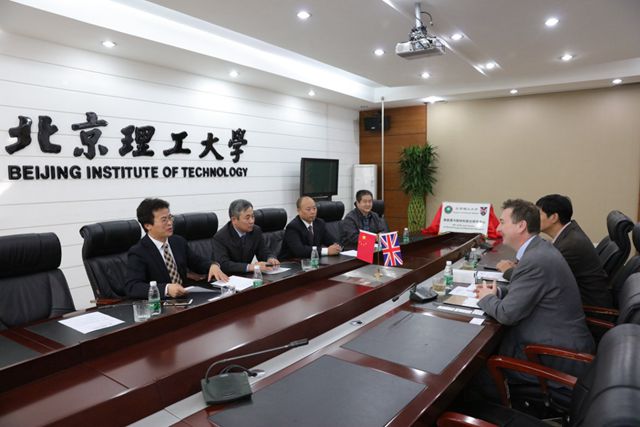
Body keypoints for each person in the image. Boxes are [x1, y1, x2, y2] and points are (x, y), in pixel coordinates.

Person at [475, 199, 594, 382]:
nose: (498, 228)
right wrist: (498, 293)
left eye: (503, 222)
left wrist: (486, 298)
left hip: (554, 357)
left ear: (521, 226)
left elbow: (507, 314)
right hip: (555, 341)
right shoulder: (539, 248)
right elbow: (526, 291)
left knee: (476, 374)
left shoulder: (535, 259)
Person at [497, 194, 612, 308]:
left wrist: (509, 271)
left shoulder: (570, 245)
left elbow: (536, 280)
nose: (534, 218)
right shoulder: (569, 235)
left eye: (538, 214)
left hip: (590, 308)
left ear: (554, 217)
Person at [125, 198, 227, 299]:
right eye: (164, 220)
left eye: (170, 218)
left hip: (186, 297)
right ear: (148, 225)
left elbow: (197, 262)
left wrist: (212, 265)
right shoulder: (139, 252)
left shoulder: (177, 241)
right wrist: (166, 289)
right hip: (162, 303)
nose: (170, 223)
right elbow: (133, 287)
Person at [213, 199, 280, 274]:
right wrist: (251, 267)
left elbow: (263, 251)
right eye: (247, 218)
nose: (252, 221)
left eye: (253, 216)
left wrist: (270, 258)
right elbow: (224, 264)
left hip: (248, 276)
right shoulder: (220, 237)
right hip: (229, 277)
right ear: (234, 220)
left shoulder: (256, 230)